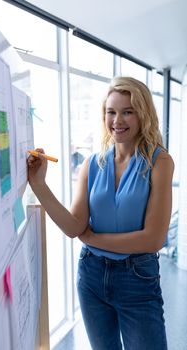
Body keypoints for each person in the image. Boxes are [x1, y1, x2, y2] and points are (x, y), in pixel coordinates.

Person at [27, 76, 174, 350]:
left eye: (127, 111)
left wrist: (92, 239)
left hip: (137, 279)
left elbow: (153, 239)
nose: (117, 120)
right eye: (111, 112)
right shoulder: (93, 163)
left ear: (143, 115)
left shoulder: (159, 162)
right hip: (92, 276)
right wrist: (39, 184)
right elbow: (74, 226)